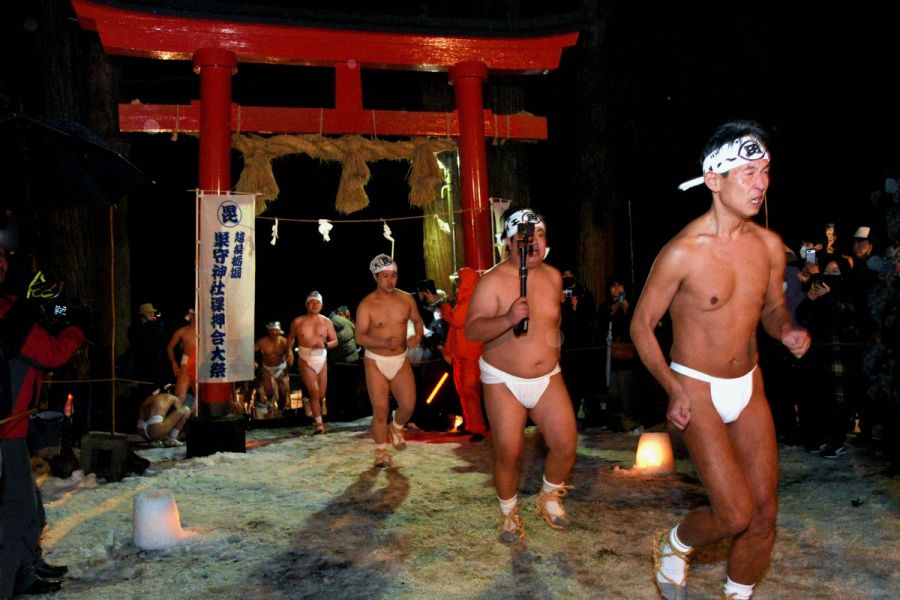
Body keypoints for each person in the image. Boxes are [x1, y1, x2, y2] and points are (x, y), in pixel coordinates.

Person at [630, 121, 810, 600]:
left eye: (765, 171)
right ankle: (674, 543)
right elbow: (641, 325)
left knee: (764, 514)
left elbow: (773, 308)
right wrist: (672, 387)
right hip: (696, 388)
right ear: (714, 179)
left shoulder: (769, 246)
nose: (761, 183)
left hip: (749, 385)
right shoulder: (682, 252)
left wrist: (786, 329)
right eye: (749, 172)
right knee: (734, 514)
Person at [465, 208, 577, 544]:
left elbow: (552, 324)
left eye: (540, 235)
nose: (534, 243)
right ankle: (508, 511)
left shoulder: (554, 277)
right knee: (509, 452)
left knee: (565, 444)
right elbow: (472, 330)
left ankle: (549, 495)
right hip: (503, 379)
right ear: (508, 243)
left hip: (548, 376)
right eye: (525, 237)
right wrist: (508, 319)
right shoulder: (492, 281)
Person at [0, 227, 85, 598]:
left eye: (3, 257)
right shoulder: (10, 314)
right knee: (18, 509)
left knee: (30, 507)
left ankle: (28, 565)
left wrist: (62, 311)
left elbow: (48, 313)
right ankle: (14, 577)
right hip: (6, 431)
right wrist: (76, 328)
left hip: (14, 426)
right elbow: (51, 352)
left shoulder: (16, 307)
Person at [355, 254, 423, 468]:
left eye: (393, 275)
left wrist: (417, 336)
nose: (390, 280)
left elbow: (417, 321)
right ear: (375, 277)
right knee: (380, 410)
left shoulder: (407, 299)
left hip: (400, 359)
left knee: (408, 405)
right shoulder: (366, 304)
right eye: (385, 276)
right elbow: (360, 337)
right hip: (375, 361)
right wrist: (383, 343)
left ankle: (397, 426)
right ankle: (381, 452)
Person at [441, 267, 488, 440]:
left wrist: (445, 307)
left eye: (459, 282)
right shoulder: (464, 301)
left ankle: (478, 428)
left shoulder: (471, 301)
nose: (457, 286)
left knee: (469, 391)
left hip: (470, 354)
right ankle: (470, 424)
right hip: (461, 353)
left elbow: (456, 320)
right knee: (463, 391)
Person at [287, 291, 337, 434]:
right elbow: (290, 338)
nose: (315, 305)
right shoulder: (298, 321)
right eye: (312, 302)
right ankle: (319, 425)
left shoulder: (326, 322)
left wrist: (326, 345)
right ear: (306, 304)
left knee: (321, 395)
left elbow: (335, 341)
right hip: (305, 359)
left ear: (321, 305)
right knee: (314, 393)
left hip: (321, 359)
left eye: (317, 302)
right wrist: (288, 352)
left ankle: (310, 402)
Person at [253, 321, 292, 417]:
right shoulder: (262, 341)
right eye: (271, 330)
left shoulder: (284, 341)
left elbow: (290, 355)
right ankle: (270, 406)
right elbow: (249, 351)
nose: (273, 332)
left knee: (283, 393)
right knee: (269, 392)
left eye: (275, 330)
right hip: (267, 368)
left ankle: (280, 410)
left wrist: (288, 367)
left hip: (281, 368)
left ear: (279, 331)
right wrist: (252, 362)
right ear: (268, 331)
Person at [128, 302, 169, 395]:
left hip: (153, 364)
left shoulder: (153, 326)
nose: (152, 314)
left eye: (152, 312)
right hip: (146, 364)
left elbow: (165, 339)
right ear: (142, 315)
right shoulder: (138, 328)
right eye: (149, 312)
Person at [165, 308, 196, 401]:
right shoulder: (182, 331)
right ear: (191, 316)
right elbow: (170, 347)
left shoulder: (207, 331)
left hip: (202, 363)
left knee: (203, 396)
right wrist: (174, 364)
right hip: (186, 362)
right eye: (196, 314)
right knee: (179, 395)